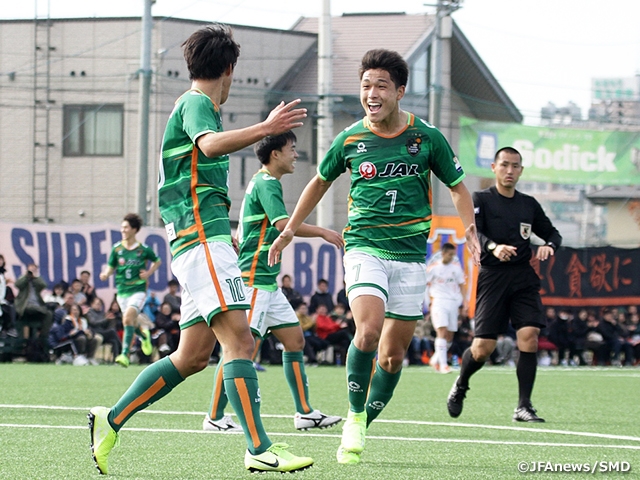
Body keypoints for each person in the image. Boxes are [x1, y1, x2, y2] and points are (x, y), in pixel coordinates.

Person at [88, 23, 313, 476]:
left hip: (198, 243)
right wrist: (266, 127)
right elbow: (209, 146)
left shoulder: (195, 106)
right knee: (241, 341)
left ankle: (109, 420)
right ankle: (258, 448)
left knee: (191, 356)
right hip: (201, 239)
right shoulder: (197, 104)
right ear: (229, 68)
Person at [268, 48, 480, 465]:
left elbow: (457, 187)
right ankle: (353, 415)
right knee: (367, 332)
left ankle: (363, 420)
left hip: (410, 255)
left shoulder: (428, 138)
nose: (372, 93)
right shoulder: (349, 139)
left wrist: (469, 226)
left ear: (400, 91)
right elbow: (318, 182)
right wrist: (291, 227)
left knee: (393, 356)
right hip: (364, 247)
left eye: (381, 85)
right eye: (366, 86)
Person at [203, 131, 342, 434]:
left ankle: (305, 413)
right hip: (253, 281)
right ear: (276, 154)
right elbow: (283, 226)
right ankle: (214, 417)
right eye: (292, 149)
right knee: (239, 349)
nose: (296, 154)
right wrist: (324, 232)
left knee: (295, 340)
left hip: (267, 283)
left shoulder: (262, 182)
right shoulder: (266, 184)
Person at [446, 146, 562, 424]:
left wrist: (549, 246)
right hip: (493, 276)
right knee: (483, 348)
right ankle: (461, 384)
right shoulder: (481, 199)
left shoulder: (528, 204)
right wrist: (493, 247)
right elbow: (475, 231)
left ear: (521, 170)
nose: (510, 171)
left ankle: (524, 406)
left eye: (515, 166)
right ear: (494, 168)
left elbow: (552, 233)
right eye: (505, 165)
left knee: (529, 336)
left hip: (522, 277)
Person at [99, 213, 161, 367]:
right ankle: (144, 335)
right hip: (122, 291)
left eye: (126, 227)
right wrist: (106, 274)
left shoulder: (143, 249)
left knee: (127, 318)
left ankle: (124, 354)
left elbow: (157, 261)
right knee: (130, 321)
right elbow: (111, 266)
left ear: (134, 229)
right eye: (122, 227)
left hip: (138, 290)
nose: (123, 230)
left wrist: (148, 273)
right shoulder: (117, 249)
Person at [426, 243, 466, 374]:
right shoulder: (434, 268)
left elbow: (461, 285)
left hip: (453, 302)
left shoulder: (456, 268)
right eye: (449, 254)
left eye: (453, 255)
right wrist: (428, 302)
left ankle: (435, 358)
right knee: (441, 331)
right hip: (439, 302)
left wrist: (464, 302)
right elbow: (425, 285)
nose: (451, 257)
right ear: (443, 253)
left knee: (450, 334)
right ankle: (443, 365)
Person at [14, 263, 53, 350]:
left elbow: (43, 285)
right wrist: (26, 276)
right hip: (25, 307)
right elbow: (17, 284)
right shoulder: (23, 279)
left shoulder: (36, 281)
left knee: (49, 314)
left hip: (37, 307)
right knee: (31, 308)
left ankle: (43, 336)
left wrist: (35, 276)